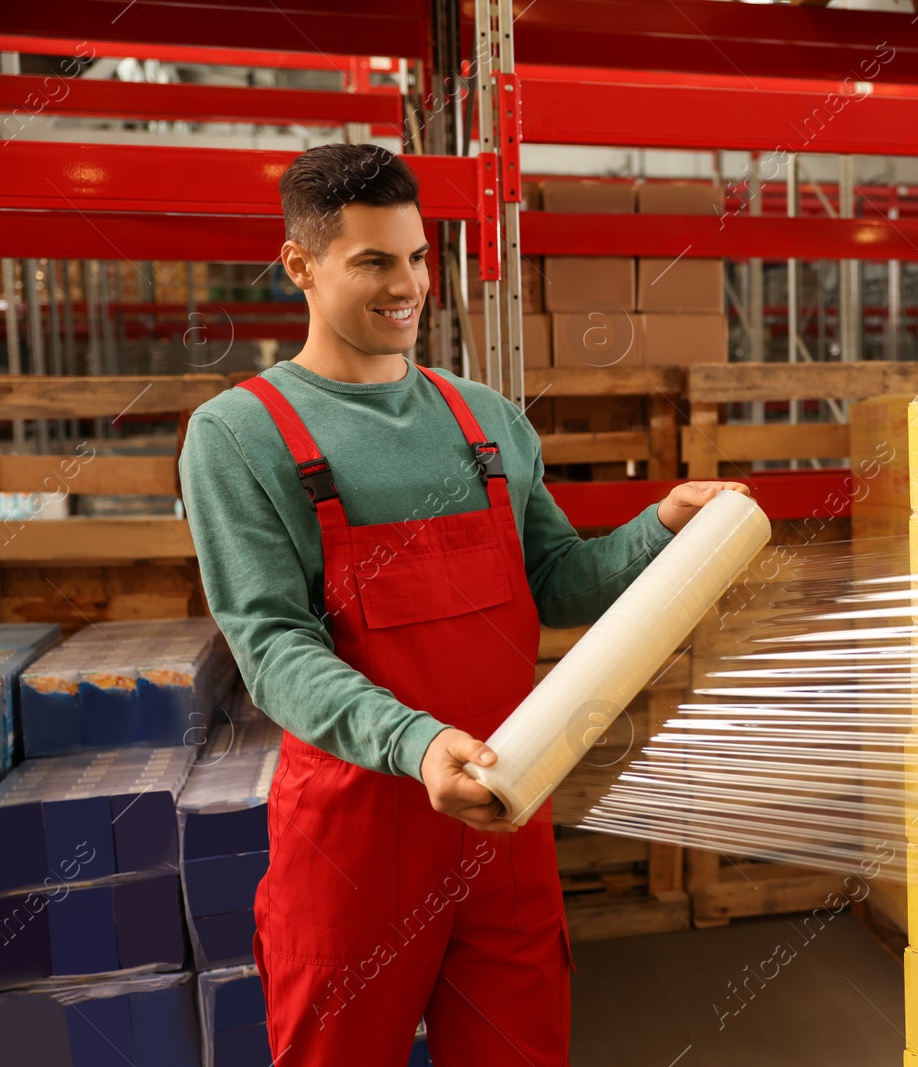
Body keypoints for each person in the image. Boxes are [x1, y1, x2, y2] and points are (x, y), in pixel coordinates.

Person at [179, 142, 747, 1066]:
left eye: (416, 258)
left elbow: (558, 578)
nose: (406, 285)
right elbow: (273, 646)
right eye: (372, 261)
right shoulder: (240, 435)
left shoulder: (486, 418)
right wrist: (416, 744)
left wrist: (663, 528)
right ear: (300, 266)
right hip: (359, 838)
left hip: (503, 815)